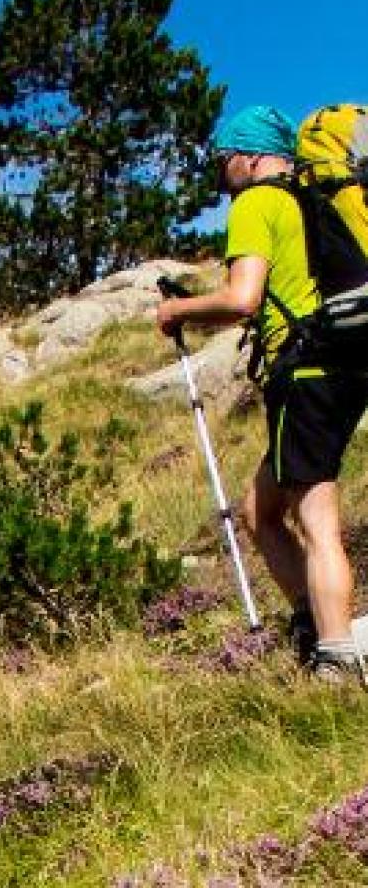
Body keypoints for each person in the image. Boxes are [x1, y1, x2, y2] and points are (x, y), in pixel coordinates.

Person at [155, 104, 361, 681]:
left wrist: (178, 310)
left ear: (248, 157)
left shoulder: (257, 202)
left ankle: (338, 659)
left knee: (317, 518)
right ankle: (308, 622)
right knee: (259, 510)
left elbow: (243, 299)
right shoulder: (313, 199)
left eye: (225, 164)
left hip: (304, 368)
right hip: (343, 361)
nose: (223, 177)